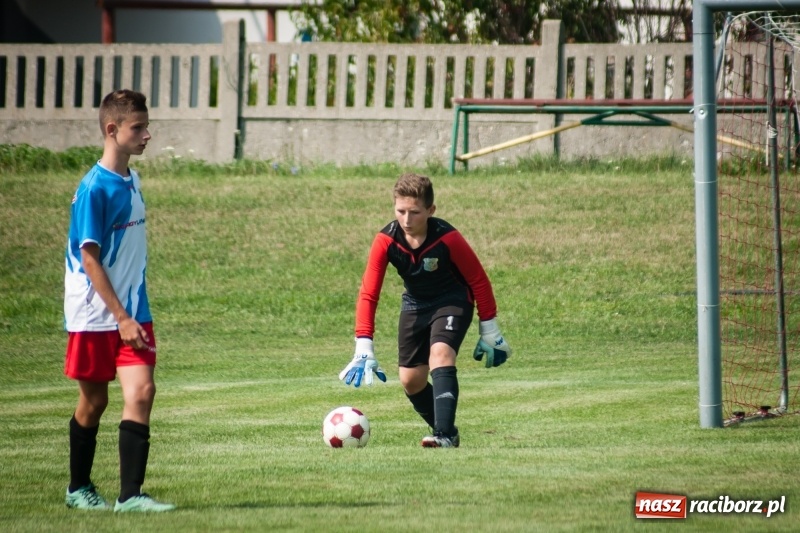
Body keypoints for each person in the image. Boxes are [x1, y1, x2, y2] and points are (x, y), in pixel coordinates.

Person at [339, 173, 512, 448]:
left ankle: (442, 434)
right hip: (415, 304)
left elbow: (478, 280)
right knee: (411, 381)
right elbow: (368, 294)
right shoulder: (386, 240)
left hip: (452, 300)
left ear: (431, 210)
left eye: (415, 212)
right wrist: (364, 343)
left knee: (440, 354)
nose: (407, 220)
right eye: (401, 211)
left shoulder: (448, 238)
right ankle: (449, 432)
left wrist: (488, 325)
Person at [63, 89, 174, 512]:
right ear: (112, 130)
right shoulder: (94, 189)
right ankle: (78, 487)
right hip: (96, 314)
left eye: (146, 126)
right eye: (138, 127)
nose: (147, 134)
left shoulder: (131, 178)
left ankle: (130, 496)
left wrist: (132, 313)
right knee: (94, 402)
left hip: (134, 310)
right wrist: (121, 316)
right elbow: (89, 260)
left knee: (142, 391)